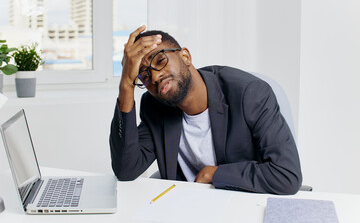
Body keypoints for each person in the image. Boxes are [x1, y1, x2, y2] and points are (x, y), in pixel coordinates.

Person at [110, 25, 302, 195]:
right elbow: (126, 170)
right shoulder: (154, 105)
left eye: (160, 61)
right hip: (188, 207)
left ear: (185, 56)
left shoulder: (249, 94)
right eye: (144, 76)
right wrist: (126, 85)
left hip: (242, 203)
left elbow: (286, 175)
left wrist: (214, 173)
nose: (155, 76)